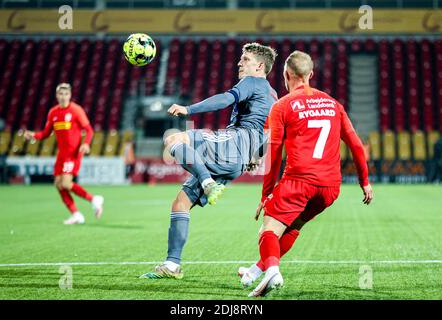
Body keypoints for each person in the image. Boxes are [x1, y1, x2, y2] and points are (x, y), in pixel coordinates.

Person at [238, 51, 373, 297]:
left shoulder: (282, 106)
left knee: (267, 230)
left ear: (285, 75)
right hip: (330, 188)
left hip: (298, 182)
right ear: (310, 75)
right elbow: (355, 143)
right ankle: (257, 270)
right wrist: (365, 181)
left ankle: (273, 272)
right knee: (293, 226)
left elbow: (274, 152)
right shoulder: (333, 103)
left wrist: (266, 194)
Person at [141, 43, 278, 279]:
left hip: (233, 143)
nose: (239, 62)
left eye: (245, 59)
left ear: (260, 65)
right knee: (180, 203)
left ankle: (206, 181)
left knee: (173, 138)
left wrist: (188, 109)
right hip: (240, 158)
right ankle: (172, 264)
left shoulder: (251, 82)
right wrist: (255, 156)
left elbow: (226, 98)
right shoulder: (273, 95)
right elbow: (271, 130)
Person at [24, 83, 104, 225]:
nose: (63, 96)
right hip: (62, 154)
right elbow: (45, 133)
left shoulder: (76, 110)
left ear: (70, 95)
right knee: (58, 184)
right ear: (56, 95)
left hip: (74, 152)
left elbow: (89, 130)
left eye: (66, 94)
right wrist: (33, 136)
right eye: (60, 94)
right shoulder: (53, 112)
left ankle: (93, 199)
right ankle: (76, 214)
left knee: (66, 183)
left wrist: (86, 144)